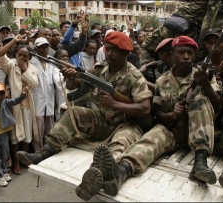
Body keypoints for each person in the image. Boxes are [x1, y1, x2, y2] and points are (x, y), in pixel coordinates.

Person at [75, 36, 222, 200]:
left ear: (195, 56)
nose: (186, 56)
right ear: (172, 55)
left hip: (200, 132)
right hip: (173, 131)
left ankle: (200, 163)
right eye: (181, 52)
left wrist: (205, 85)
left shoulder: (205, 76)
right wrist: (172, 114)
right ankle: (120, 172)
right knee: (149, 139)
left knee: (200, 100)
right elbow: (158, 114)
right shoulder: (162, 81)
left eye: (190, 53)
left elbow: (217, 107)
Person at [16, 32, 152, 200]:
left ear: (125, 53)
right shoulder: (99, 68)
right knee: (74, 112)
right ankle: (45, 151)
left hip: (126, 124)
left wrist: (114, 103)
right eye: (108, 49)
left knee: (120, 142)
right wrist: (70, 76)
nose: (109, 53)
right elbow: (74, 86)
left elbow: (145, 108)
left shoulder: (134, 75)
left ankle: (103, 176)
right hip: (103, 121)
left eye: (114, 50)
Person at [0, 34, 39, 175]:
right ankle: (15, 164)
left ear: (30, 58)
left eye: (25, 56)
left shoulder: (32, 68)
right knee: (14, 137)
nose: (21, 58)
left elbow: (34, 83)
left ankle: (24, 159)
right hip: (14, 107)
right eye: (19, 54)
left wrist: (25, 69)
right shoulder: (11, 65)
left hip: (27, 107)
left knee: (27, 135)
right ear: (16, 54)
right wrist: (14, 41)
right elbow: (0, 54)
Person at [0, 82, 31, 186]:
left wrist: (23, 95)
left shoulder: (4, 103)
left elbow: (15, 101)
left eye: (1, 94)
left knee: (5, 154)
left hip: (4, 134)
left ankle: (4, 171)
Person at [29, 37, 61, 152]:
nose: (44, 49)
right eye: (42, 47)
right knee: (38, 130)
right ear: (36, 48)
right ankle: (38, 152)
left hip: (50, 101)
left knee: (50, 129)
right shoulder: (31, 62)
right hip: (37, 101)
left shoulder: (52, 61)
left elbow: (57, 79)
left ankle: (48, 152)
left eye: (46, 46)